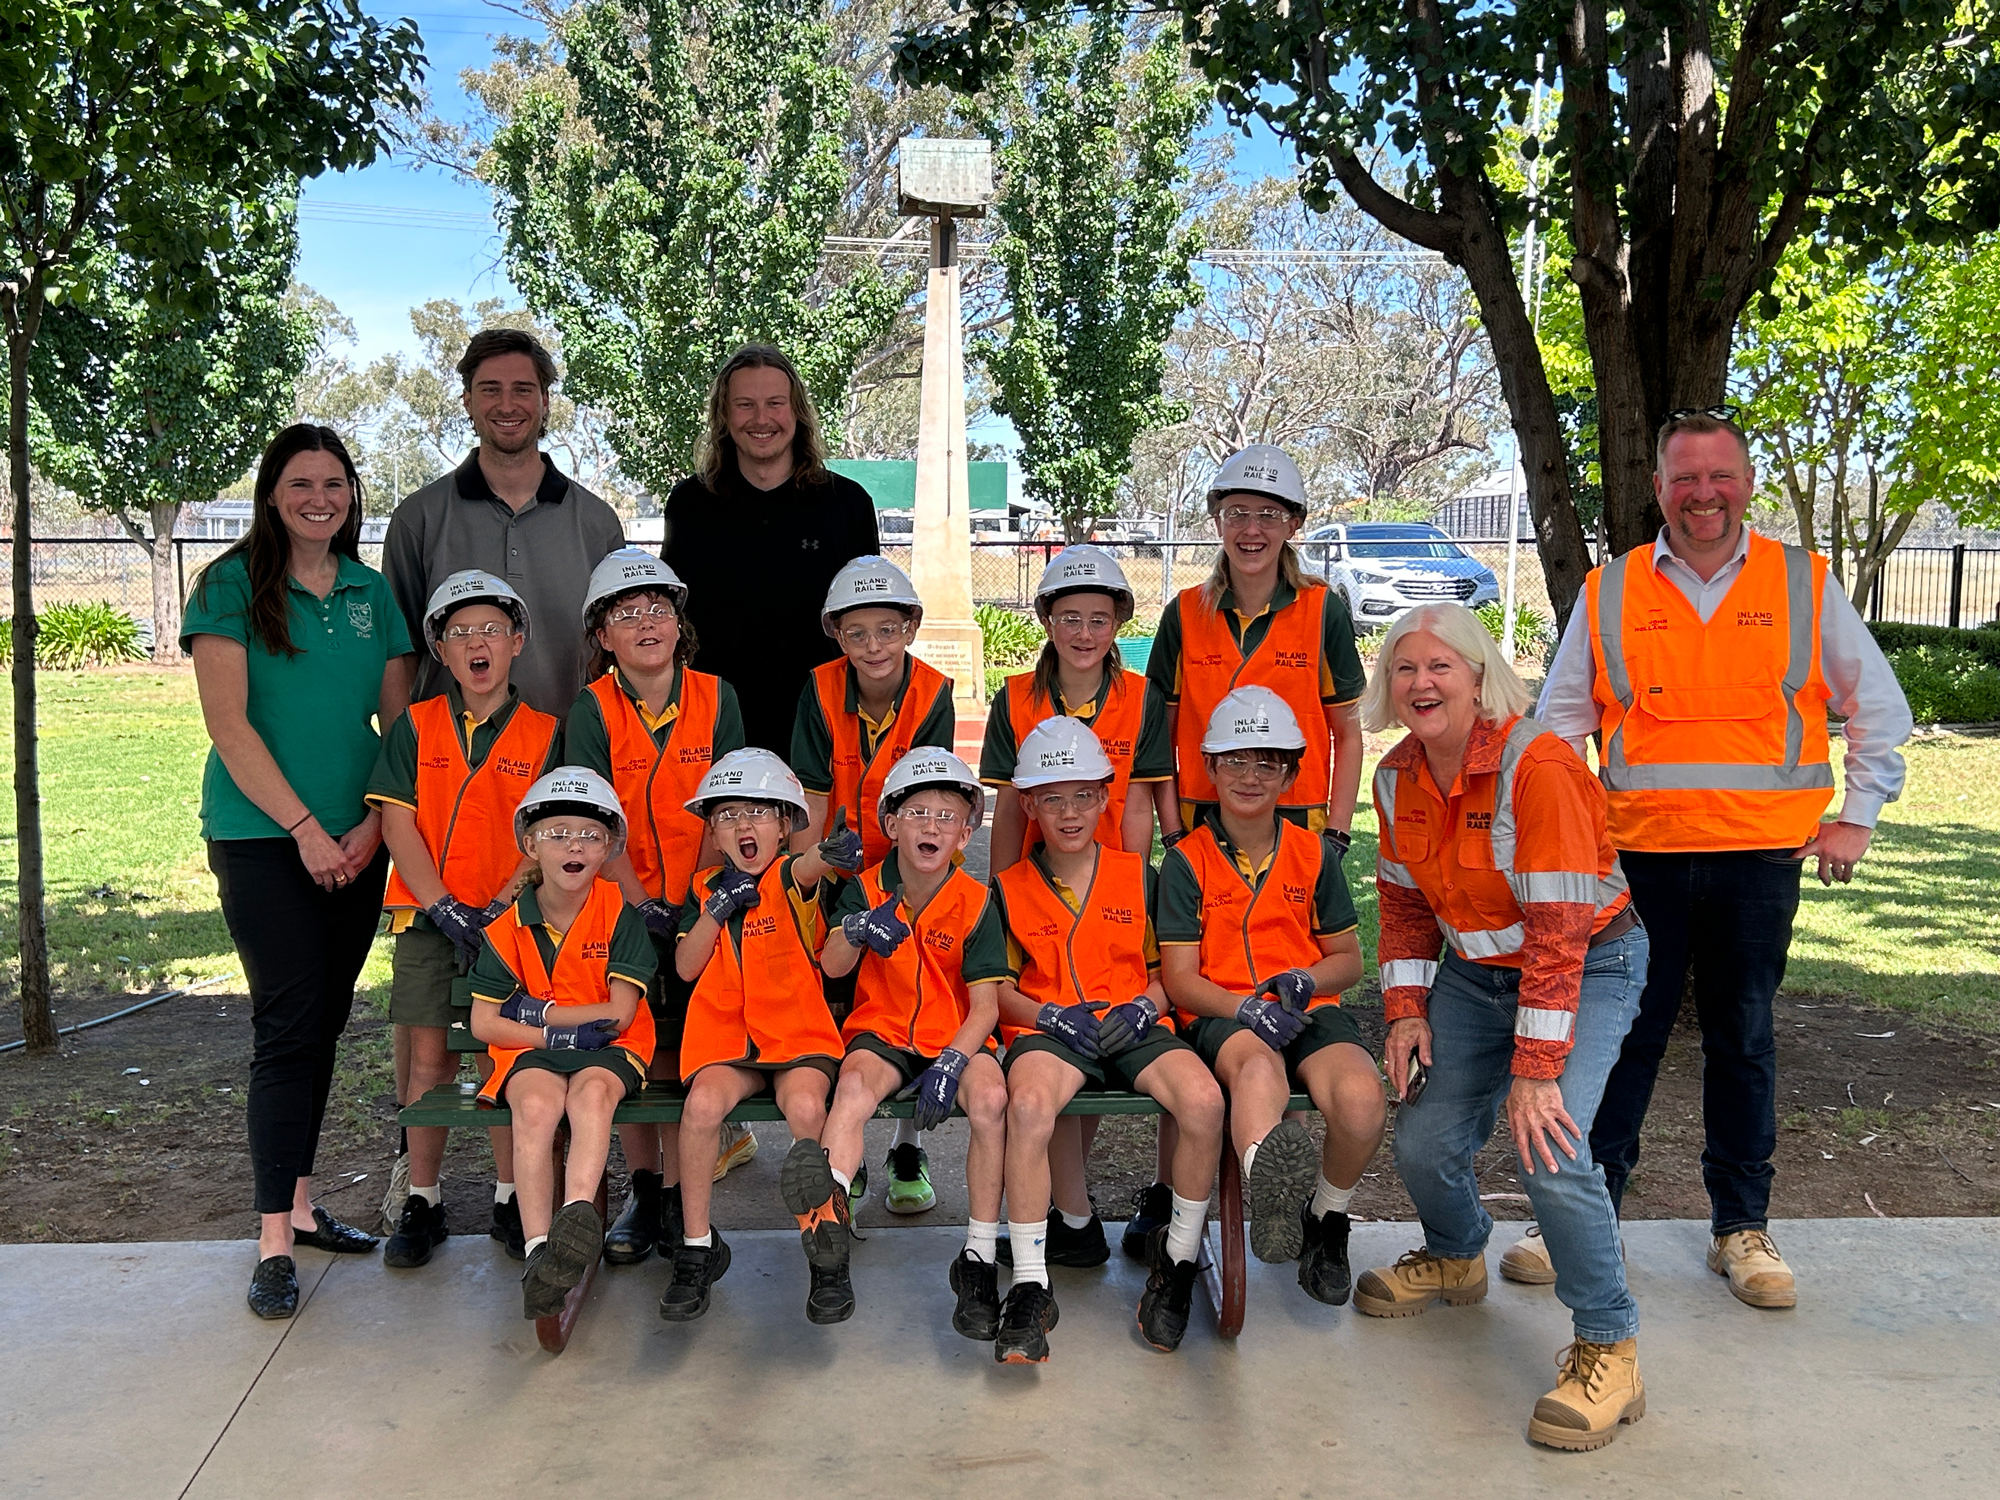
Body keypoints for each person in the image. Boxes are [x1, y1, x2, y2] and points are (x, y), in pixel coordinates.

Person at [1507, 408, 1913, 1309]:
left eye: (1719, 476)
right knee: (1621, 1040)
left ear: (1747, 484)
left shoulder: (1802, 582)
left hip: (1759, 861)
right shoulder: (1612, 591)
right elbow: (1556, 726)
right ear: (1658, 488)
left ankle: (1742, 1227)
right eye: (1684, 478)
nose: (1703, 495)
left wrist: (1860, 815)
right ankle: (1585, 1210)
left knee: (1743, 1039)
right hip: (1637, 864)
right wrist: (1557, 832)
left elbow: (1878, 707)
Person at [1357, 603, 1650, 1452]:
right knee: (1422, 1133)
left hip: (1587, 966)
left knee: (1549, 1146)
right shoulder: (1396, 777)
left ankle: (1610, 1345)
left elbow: (1560, 931)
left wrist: (1535, 1067)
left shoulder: (1541, 766)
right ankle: (1456, 1255)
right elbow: (1405, 905)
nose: (1421, 683)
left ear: (1481, 675)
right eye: (1405, 670)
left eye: (1440, 666)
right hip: (1477, 972)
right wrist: (1406, 1011)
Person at [183, 423, 417, 1320]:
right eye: (300, 483)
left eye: (335, 484)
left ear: (352, 495)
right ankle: (273, 1240)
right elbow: (230, 729)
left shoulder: (371, 592)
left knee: (321, 1022)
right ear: (271, 495)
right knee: (286, 1026)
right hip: (262, 839)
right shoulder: (232, 586)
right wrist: (307, 831)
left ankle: (307, 1204)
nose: (319, 498)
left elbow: (397, 733)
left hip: (357, 841)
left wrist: (366, 827)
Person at [1132, 443, 1366, 1258]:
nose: (1252, 528)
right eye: (1237, 513)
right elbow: (1158, 730)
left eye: (1269, 514)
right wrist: (1169, 831)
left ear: (1294, 523)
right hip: (1201, 821)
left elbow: (1344, 728)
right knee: (1196, 1001)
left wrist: (1333, 834)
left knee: (1278, 980)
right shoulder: (1184, 613)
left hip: (1292, 820)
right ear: (1217, 522)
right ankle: (1169, 1199)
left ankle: (1280, 1197)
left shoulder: (1321, 609)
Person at [989, 718, 1226, 1363]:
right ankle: (1033, 1285)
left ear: (1105, 797)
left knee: (1203, 1103)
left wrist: (1147, 1007)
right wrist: (1046, 1016)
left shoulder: (1138, 875)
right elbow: (996, 989)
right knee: (1032, 1107)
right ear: (1029, 806)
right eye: (1052, 799)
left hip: (1133, 1022)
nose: (1069, 813)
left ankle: (1175, 1266)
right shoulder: (1007, 888)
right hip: (1050, 1027)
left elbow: (1166, 975)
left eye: (1083, 796)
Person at [980, 544, 1176, 1266]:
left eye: (1099, 619)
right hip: (1037, 883)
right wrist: (1002, 891)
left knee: (1098, 1014)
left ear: (1119, 622)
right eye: (1070, 618)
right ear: (1047, 621)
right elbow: (1006, 807)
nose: (1085, 633)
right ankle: (1072, 1214)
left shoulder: (1141, 698)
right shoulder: (1016, 697)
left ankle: (1074, 1212)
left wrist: (1124, 884)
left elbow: (1142, 807)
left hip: (1108, 880)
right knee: (1052, 1033)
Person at [1156, 687, 1380, 1305]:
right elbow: (1179, 980)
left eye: (1267, 762)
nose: (1250, 775)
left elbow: (1348, 962)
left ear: (1290, 773)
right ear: (1210, 767)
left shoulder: (1314, 854)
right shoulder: (1187, 861)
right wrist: (1245, 1008)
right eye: (1234, 760)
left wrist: (1307, 982)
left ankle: (1325, 1217)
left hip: (1307, 1009)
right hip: (1223, 1013)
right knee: (1257, 1069)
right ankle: (1271, 1178)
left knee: (1362, 1099)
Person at [367, 571, 561, 1268]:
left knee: (503, 1055)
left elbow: (549, 831)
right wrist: (441, 904)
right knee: (430, 1057)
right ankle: (423, 1196)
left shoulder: (546, 733)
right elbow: (397, 821)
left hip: (510, 926)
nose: (476, 644)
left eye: (489, 630)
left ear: (517, 641)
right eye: (458, 632)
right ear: (439, 651)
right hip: (427, 922)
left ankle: (512, 1195)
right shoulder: (415, 726)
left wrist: (503, 902)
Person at [564, 548, 746, 1267]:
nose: (645, 622)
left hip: (701, 907)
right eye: (625, 612)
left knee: (685, 1052)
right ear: (602, 635)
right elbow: (590, 814)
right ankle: (643, 1190)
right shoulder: (591, 708)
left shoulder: (717, 697)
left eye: (658, 608)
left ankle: (679, 1196)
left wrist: (701, 897)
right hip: (622, 908)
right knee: (631, 1042)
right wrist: (638, 903)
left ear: (680, 623)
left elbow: (731, 804)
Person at [819, 750, 1011, 1331]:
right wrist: (853, 930)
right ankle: (826, 1238)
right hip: (882, 1032)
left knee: (991, 1099)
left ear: (966, 831)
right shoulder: (866, 886)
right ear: (891, 822)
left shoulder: (976, 901)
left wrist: (954, 1058)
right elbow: (831, 966)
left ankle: (978, 1255)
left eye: (947, 816)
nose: (931, 826)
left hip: (954, 1037)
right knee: (851, 1089)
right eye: (918, 812)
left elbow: (985, 1005)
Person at [792, 552, 957, 1215]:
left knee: (912, 995)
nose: (872, 645)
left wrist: (910, 880)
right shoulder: (820, 688)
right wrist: (814, 874)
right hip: (837, 870)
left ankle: (906, 1143)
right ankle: (847, 1140)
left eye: (886, 629)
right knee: (843, 1008)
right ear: (836, 635)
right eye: (856, 633)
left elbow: (932, 795)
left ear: (911, 627)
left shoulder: (934, 693)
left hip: (908, 869)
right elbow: (809, 792)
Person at [660, 750, 850, 1324]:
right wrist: (715, 911)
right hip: (729, 1044)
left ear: (786, 824)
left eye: (762, 812)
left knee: (804, 1104)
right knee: (700, 1109)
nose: (745, 825)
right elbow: (687, 967)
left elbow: (810, 866)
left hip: (797, 1039)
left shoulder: (789, 879)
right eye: (729, 815)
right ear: (714, 833)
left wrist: (826, 854)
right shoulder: (703, 889)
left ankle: (827, 1253)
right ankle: (697, 1248)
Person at [467, 769, 658, 1319]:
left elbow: (618, 1015)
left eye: (590, 835)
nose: (575, 845)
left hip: (609, 1051)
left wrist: (532, 1009)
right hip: (536, 1050)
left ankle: (574, 1219)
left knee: (592, 1098)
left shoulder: (620, 913)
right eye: (558, 833)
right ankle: (537, 1252)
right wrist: (551, 1028)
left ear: (608, 847)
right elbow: (484, 1022)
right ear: (531, 845)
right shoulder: (508, 927)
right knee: (534, 1105)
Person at [382, 327, 625, 717]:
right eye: (491, 389)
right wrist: (401, 755)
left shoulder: (598, 523)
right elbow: (398, 655)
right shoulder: (418, 519)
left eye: (523, 389)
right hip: (451, 765)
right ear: (468, 401)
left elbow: (617, 656)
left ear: (545, 401)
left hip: (568, 759)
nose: (507, 405)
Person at [662, 344, 880, 755]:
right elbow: (675, 621)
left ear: (797, 412)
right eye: (745, 405)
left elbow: (871, 622)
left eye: (775, 403)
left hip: (824, 731)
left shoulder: (847, 504)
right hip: (716, 730)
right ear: (724, 417)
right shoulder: (690, 505)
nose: (761, 419)